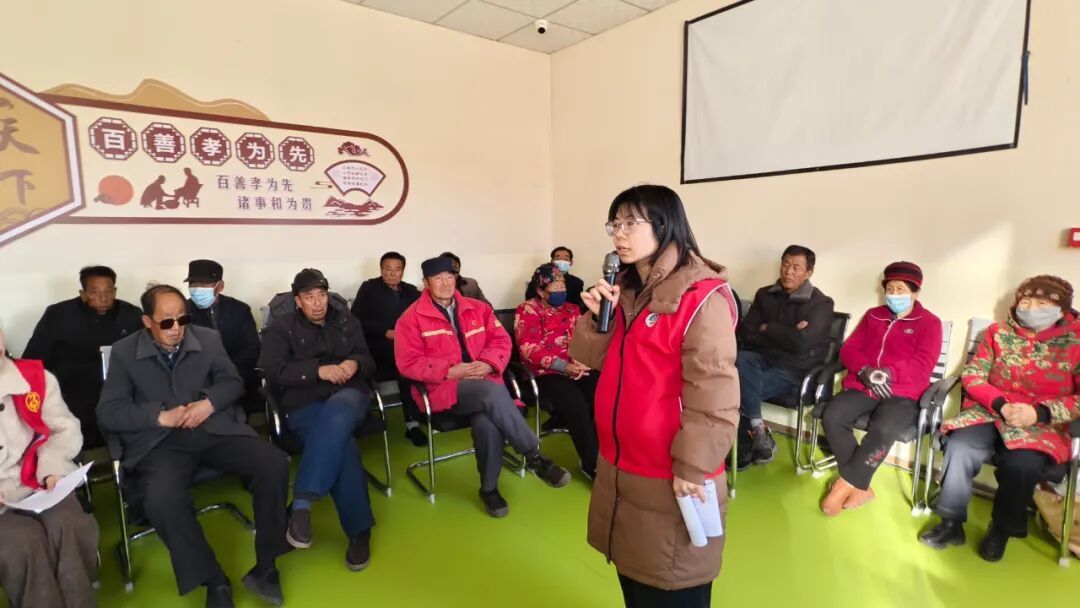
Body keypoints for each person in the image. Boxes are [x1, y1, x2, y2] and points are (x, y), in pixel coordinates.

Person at [569, 184, 739, 608]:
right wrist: (597, 318)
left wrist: (693, 466)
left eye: (631, 223)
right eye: (614, 224)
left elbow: (714, 392)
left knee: (673, 585)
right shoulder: (627, 291)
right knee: (636, 583)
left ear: (665, 226)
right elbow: (588, 357)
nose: (618, 234)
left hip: (673, 473)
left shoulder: (701, 297)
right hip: (621, 465)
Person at [97, 284, 290, 608]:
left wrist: (209, 403)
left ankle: (267, 566)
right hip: (161, 443)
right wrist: (159, 416)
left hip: (213, 428)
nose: (177, 328)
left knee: (274, 463)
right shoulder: (125, 352)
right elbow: (109, 412)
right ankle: (213, 580)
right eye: (166, 322)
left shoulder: (207, 339)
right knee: (161, 498)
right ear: (147, 322)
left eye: (182, 319)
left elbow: (233, 382)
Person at [920, 276, 1080, 562]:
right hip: (990, 410)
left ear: (1062, 309)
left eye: (1042, 303)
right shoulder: (998, 333)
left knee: (1023, 465)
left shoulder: (1076, 343)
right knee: (960, 447)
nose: (1031, 308)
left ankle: (1001, 530)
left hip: (1042, 424)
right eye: (1026, 301)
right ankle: (951, 523)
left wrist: (1039, 412)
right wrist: (1001, 404)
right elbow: (973, 375)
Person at [395, 256, 570, 517]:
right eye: (437, 278)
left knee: (487, 421)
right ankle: (534, 457)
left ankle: (489, 490)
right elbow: (408, 363)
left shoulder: (479, 309)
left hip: (486, 385)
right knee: (491, 393)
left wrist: (489, 364)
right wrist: (448, 370)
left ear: (456, 279)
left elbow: (502, 341)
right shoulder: (411, 318)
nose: (445, 283)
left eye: (450, 277)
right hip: (443, 389)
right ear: (425, 282)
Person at [259, 268, 378, 572]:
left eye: (322, 295)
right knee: (345, 447)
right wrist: (317, 371)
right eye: (309, 297)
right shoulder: (280, 328)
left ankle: (300, 506)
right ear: (297, 301)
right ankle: (359, 530)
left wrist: (354, 363)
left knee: (338, 414)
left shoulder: (346, 320)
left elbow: (368, 358)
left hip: (349, 395)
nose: (317, 303)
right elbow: (272, 373)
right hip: (305, 402)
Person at [819, 262, 942, 515]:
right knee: (833, 415)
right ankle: (861, 487)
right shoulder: (873, 316)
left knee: (884, 428)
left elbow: (923, 364)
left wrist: (889, 373)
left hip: (903, 393)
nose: (894, 294)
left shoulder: (930, 323)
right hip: (864, 386)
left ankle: (845, 485)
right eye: (890, 288)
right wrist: (864, 370)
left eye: (901, 289)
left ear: (916, 292)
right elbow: (849, 349)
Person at [0, 318, 99, 608]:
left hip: (39, 482)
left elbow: (64, 429)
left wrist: (52, 471)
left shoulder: (35, 378)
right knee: (23, 543)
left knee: (70, 525)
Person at [734, 245, 835, 469]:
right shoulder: (765, 294)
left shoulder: (821, 304)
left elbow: (802, 344)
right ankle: (759, 431)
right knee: (742, 358)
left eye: (796, 267)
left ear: (809, 272)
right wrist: (788, 333)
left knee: (737, 388)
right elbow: (746, 332)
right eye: (786, 264)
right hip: (762, 360)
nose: (789, 271)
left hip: (794, 370)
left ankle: (745, 449)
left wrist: (767, 328)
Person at [23, 265, 143, 449]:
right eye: (95, 292)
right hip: (71, 393)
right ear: (83, 294)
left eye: (109, 291)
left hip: (118, 390)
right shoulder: (58, 315)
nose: (103, 298)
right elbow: (33, 359)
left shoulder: (131, 315)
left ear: (115, 291)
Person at [514, 263, 599, 479]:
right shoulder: (527, 310)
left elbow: (583, 339)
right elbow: (528, 348)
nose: (561, 290)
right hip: (544, 373)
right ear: (540, 290)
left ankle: (607, 457)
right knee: (576, 404)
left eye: (562, 286)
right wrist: (564, 366)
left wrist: (582, 362)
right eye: (555, 287)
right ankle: (591, 463)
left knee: (601, 394)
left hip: (575, 366)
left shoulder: (573, 309)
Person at [350, 251, 426, 446]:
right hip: (377, 349)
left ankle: (414, 422)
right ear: (381, 269)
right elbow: (356, 319)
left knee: (415, 368)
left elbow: (424, 315)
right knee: (404, 370)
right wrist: (385, 332)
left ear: (403, 271)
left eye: (397, 269)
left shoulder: (411, 291)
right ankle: (364, 421)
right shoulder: (369, 288)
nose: (392, 273)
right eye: (388, 269)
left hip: (406, 349)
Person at [184, 259, 262, 415]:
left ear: (220, 286)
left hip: (237, 377)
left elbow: (251, 349)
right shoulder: (182, 312)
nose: (197, 289)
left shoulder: (239, 310)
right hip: (196, 384)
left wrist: (227, 375)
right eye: (193, 284)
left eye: (204, 284)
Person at [524, 247, 586, 312]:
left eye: (566, 259)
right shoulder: (539, 279)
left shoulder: (577, 282)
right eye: (558, 258)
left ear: (571, 262)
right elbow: (530, 300)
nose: (562, 261)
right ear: (552, 261)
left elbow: (576, 304)